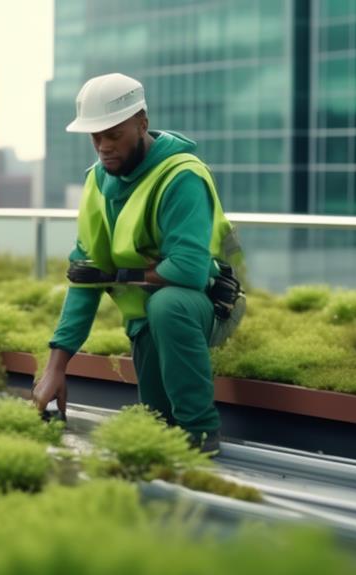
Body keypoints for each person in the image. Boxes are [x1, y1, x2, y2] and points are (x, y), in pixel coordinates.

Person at [33, 73, 244, 453]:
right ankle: (169, 440)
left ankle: (201, 432)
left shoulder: (182, 176)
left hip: (206, 306)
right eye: (95, 137)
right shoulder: (97, 183)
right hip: (145, 319)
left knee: (169, 304)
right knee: (157, 425)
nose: (103, 147)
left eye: (113, 134)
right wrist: (55, 368)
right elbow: (84, 278)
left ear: (142, 123)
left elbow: (189, 271)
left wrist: (116, 275)